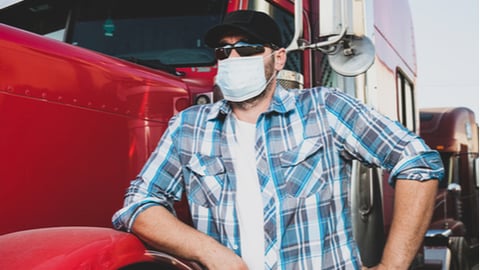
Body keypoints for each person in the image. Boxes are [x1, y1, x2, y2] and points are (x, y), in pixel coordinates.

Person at [113, 10, 443, 270]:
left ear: (279, 58)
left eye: (248, 49)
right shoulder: (190, 126)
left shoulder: (323, 108)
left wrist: (393, 265)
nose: (233, 59)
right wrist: (211, 252)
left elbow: (416, 160)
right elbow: (139, 205)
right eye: (224, 51)